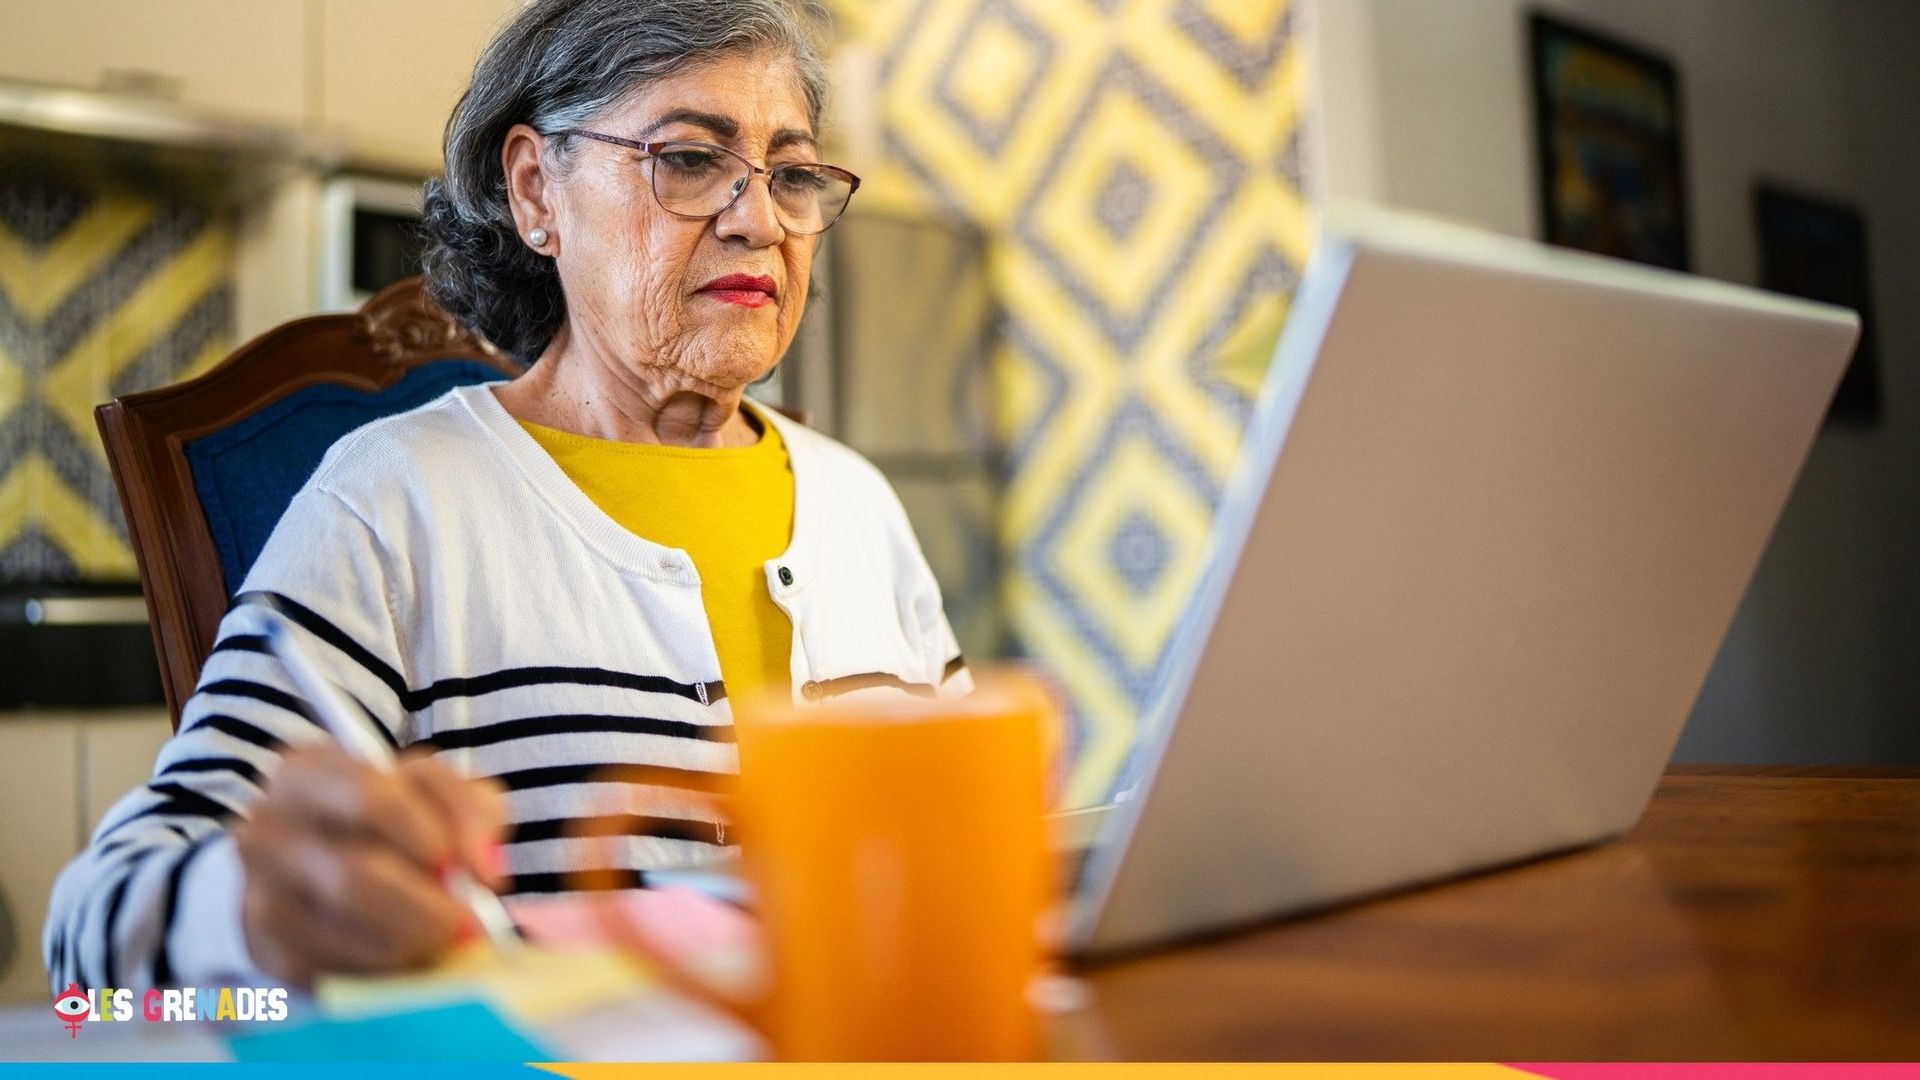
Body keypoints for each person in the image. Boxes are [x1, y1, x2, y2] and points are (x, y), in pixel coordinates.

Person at [44, 0, 967, 990]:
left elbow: (967, 846)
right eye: (692, 160)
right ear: (537, 192)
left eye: (790, 174)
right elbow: (89, 949)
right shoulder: (394, 499)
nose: (759, 220)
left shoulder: (858, 503)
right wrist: (249, 914)